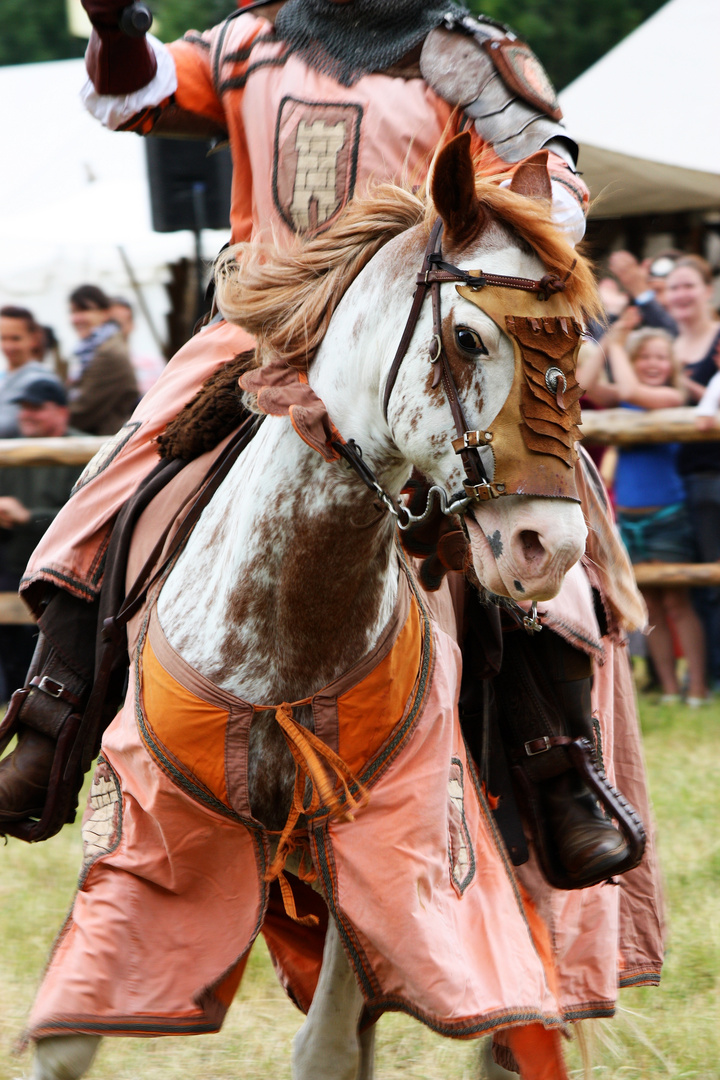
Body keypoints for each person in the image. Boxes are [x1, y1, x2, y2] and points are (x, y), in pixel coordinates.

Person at [1, 4, 663, 1078]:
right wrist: (120, 28)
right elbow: (136, 96)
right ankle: (53, 715)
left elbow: (553, 181)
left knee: (555, 577)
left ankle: (555, 766)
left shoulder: (474, 51)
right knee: (104, 493)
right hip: (261, 328)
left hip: (431, 329)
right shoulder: (251, 38)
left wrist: (492, 238)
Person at [582, 317, 707, 703]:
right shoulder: (623, 398)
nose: (653, 364)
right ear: (633, 362)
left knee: (677, 601)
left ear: (671, 364)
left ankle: (698, 688)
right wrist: (605, 346)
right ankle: (669, 688)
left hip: (667, 514)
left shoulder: (673, 398)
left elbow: (633, 388)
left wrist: (617, 343)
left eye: (660, 358)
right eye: (645, 357)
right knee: (649, 604)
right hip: (630, 517)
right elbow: (583, 386)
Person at [0, 377, 84, 702]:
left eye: (36, 408)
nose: (27, 415)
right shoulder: (12, 450)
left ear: (62, 412)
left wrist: (28, 516)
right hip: (14, 565)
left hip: (61, 573)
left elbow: (86, 517)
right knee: (12, 649)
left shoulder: (84, 450)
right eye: (23, 408)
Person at [664, 255, 720, 688]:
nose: (680, 295)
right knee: (687, 583)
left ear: (707, 290)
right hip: (670, 480)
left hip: (711, 474)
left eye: (688, 285)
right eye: (673, 287)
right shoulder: (661, 345)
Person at [67, 284, 139, 435]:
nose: (76, 318)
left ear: (105, 313)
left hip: (109, 441)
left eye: (84, 310)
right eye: (73, 311)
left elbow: (83, 410)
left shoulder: (108, 352)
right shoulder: (90, 349)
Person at [0, 306, 52, 437]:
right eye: (3, 338)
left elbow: (9, 425)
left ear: (33, 339)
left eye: (15, 338)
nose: (8, 346)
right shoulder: (5, 377)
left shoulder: (41, 381)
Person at [109, 296, 166, 396]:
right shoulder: (86, 369)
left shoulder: (153, 364)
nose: (114, 330)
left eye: (118, 324)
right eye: (111, 323)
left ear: (132, 324)